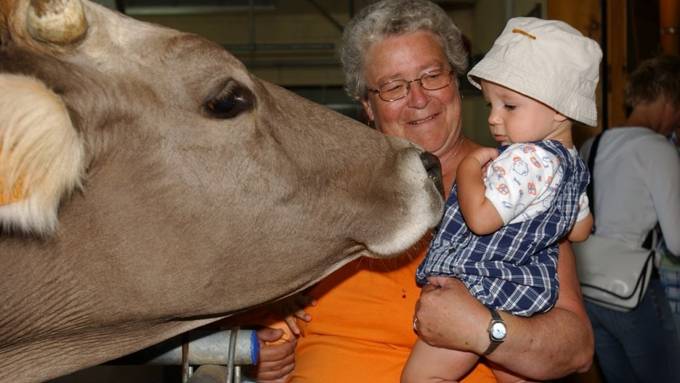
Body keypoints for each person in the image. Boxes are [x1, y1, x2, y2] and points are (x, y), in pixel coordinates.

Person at [254, 1, 594, 382]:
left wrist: (484, 329)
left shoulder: (516, 185)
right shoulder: (323, 194)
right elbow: (258, 310)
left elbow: (576, 349)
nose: (418, 98)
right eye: (393, 86)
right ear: (367, 104)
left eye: (432, 76)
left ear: (455, 80)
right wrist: (263, 346)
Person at [402, 17, 599, 383]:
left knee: (421, 377)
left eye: (509, 106)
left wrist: (468, 170)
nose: (493, 119)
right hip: (529, 297)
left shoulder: (524, 161)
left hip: (479, 288)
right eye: (491, 104)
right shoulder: (574, 167)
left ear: (558, 109)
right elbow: (580, 229)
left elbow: (480, 219)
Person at [579, 54, 680, 383]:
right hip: (633, 291)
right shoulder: (658, 149)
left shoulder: (592, 145)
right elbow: (677, 242)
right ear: (667, 99)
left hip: (589, 288)